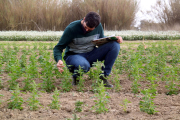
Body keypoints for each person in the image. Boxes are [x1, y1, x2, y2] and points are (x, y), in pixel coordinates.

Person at [53, 11, 123, 88]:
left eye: (90, 30)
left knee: (115, 45)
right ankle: (76, 77)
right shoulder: (71, 29)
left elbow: (101, 39)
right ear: (84, 19)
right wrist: (58, 60)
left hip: (91, 54)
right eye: (85, 27)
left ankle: (103, 77)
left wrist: (114, 38)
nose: (86, 31)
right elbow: (58, 48)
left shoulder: (98, 26)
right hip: (74, 56)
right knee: (83, 65)